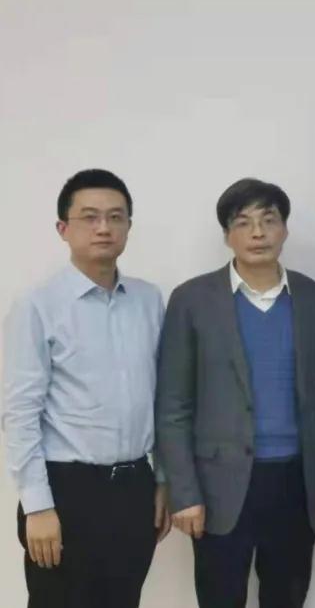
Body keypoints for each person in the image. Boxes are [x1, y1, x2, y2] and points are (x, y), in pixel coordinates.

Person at [155, 178, 315, 608]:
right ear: (228, 235)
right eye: (243, 223)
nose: (258, 233)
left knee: (287, 598)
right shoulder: (192, 299)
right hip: (219, 487)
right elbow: (173, 406)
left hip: (295, 482)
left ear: (285, 229)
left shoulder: (314, 298)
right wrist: (184, 493)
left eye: (268, 220)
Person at [3, 169, 170, 608]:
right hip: (66, 490)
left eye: (116, 217)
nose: (103, 228)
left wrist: (163, 479)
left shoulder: (149, 300)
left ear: (129, 226)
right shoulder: (38, 305)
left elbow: (162, 398)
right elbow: (20, 412)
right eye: (90, 217)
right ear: (63, 228)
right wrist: (38, 506)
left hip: (135, 487)